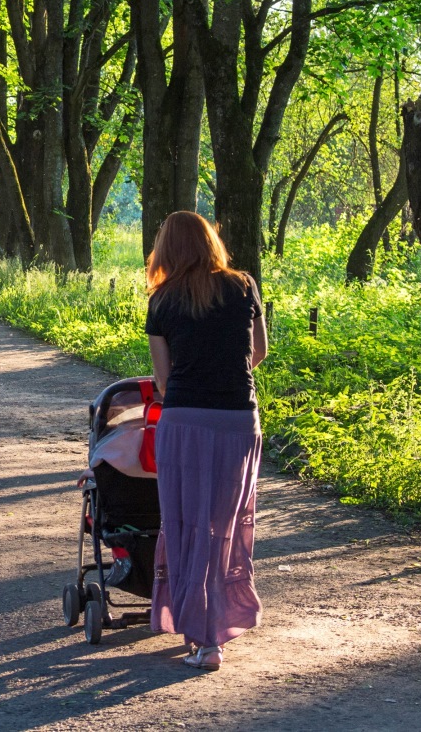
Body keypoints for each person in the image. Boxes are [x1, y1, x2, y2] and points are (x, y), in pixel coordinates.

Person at [145, 211, 268, 671]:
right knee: (226, 525)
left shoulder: (161, 300)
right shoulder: (243, 286)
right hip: (238, 420)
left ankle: (201, 637)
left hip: (184, 422)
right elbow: (258, 352)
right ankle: (218, 625)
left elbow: (162, 378)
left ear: (166, 250)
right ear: (210, 242)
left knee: (185, 524)